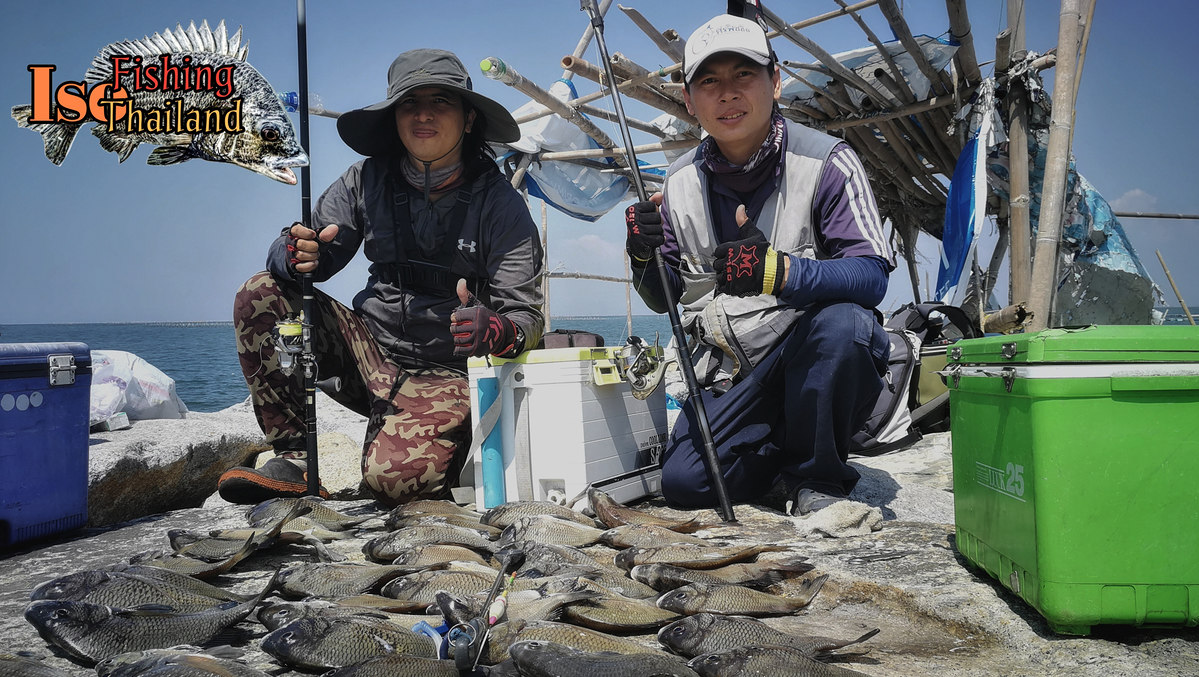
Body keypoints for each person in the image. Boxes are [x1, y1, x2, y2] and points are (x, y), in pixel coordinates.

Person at [218, 49, 544, 506]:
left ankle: (433, 436)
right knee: (260, 294)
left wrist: (497, 329)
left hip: (446, 371)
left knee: (393, 486)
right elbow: (301, 255)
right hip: (366, 352)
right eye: (410, 103)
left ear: (470, 119)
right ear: (393, 117)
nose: (424, 114)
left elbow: (527, 318)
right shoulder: (362, 180)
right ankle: (295, 458)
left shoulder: (502, 205)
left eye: (440, 102)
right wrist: (293, 254)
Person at [624, 15, 894, 516]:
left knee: (845, 325)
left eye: (743, 74)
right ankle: (782, 452)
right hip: (737, 373)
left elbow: (871, 277)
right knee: (685, 486)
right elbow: (662, 297)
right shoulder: (678, 182)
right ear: (689, 99)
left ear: (775, 81)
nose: (727, 94)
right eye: (709, 81)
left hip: (810, 356)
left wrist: (779, 273)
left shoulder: (829, 162)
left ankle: (818, 477)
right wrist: (643, 253)